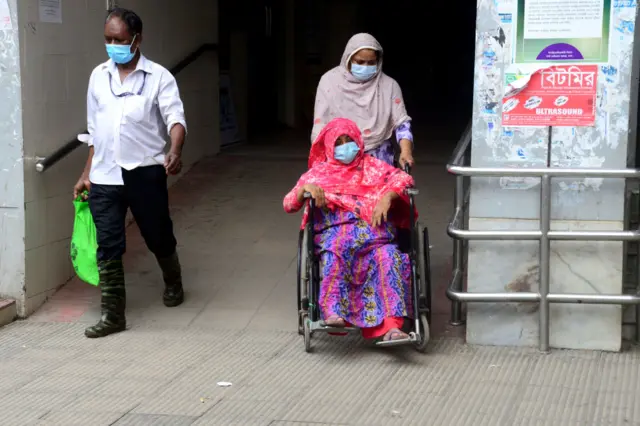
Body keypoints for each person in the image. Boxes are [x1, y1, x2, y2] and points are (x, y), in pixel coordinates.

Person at [72, 8, 187, 338]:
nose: (113, 45)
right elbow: (95, 132)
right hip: (105, 176)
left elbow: (175, 119)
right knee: (107, 244)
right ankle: (113, 314)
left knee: (157, 235)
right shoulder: (98, 76)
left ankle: (173, 279)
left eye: (119, 40)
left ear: (137, 40)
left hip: (145, 172)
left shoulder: (159, 77)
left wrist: (175, 150)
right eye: (108, 39)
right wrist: (86, 173)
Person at [284, 118, 415, 342]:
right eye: (339, 142)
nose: (346, 146)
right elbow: (289, 204)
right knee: (335, 253)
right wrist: (305, 189)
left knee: (390, 257)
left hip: (376, 238)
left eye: (349, 140)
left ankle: (392, 327)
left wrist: (388, 196)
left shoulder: (373, 166)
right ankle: (334, 314)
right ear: (329, 147)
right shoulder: (317, 174)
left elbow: (404, 179)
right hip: (336, 236)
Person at [311, 33, 415, 168]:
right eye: (360, 62)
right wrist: (320, 161)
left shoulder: (389, 86)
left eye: (371, 63)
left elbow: (401, 123)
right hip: (341, 158)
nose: (365, 66)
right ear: (348, 59)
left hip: (379, 159)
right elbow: (321, 125)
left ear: (378, 61)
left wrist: (406, 152)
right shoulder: (329, 82)